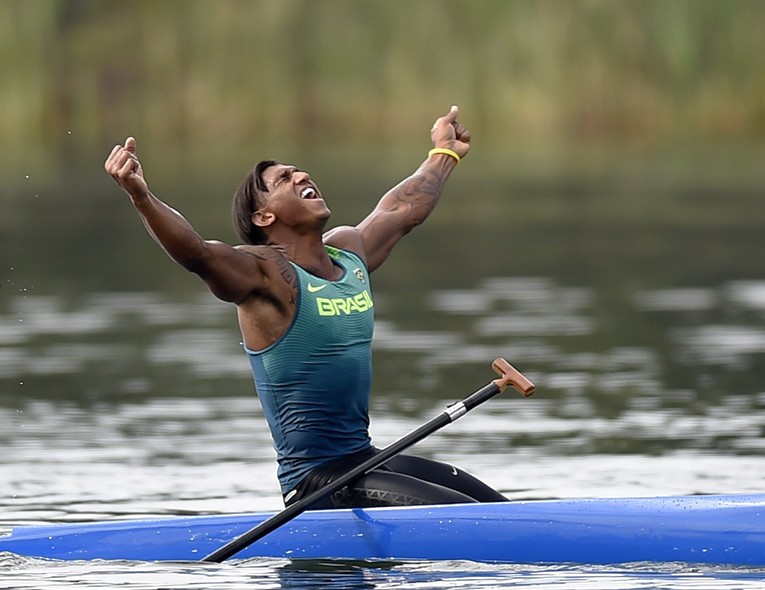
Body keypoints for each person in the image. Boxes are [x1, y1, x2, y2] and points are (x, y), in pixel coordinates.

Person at [105, 105, 507, 508]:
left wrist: (444, 152)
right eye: (283, 179)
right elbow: (197, 253)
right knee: (469, 515)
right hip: (317, 483)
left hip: (363, 462)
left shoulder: (349, 254)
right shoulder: (265, 276)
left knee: (498, 510)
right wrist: (141, 196)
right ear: (264, 215)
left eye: (298, 171)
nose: (301, 175)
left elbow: (401, 211)